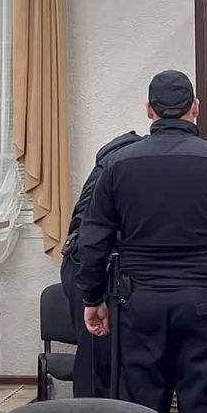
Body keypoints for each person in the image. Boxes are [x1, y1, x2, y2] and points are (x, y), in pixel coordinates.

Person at [76, 70, 207, 413]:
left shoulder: (118, 164)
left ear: (149, 110)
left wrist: (92, 297)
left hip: (139, 305)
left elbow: (93, 238)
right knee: (204, 412)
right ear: (195, 108)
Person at [59, 130, 142, 398]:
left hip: (83, 262)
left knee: (98, 356)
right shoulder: (123, 166)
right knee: (99, 358)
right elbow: (98, 235)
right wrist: (94, 296)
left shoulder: (110, 162)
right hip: (95, 264)